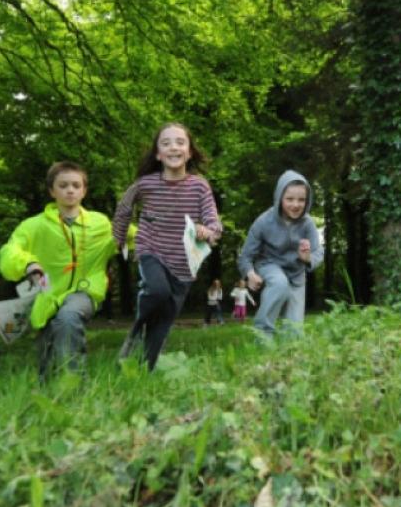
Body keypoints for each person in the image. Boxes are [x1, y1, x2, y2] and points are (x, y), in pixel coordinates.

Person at [113, 122, 222, 370]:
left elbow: (213, 222)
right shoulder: (145, 184)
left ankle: (145, 369)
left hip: (184, 262)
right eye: (166, 143)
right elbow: (124, 208)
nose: (173, 147)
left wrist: (208, 231)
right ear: (158, 154)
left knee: (164, 321)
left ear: (189, 152)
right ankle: (138, 324)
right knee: (157, 291)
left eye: (180, 142)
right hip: (151, 249)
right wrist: (119, 238)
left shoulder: (199, 186)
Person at [0, 161, 116, 381]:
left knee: (68, 317)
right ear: (52, 191)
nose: (70, 190)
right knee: (49, 352)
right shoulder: (34, 225)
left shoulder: (100, 223)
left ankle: (75, 385)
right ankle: (50, 390)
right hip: (47, 295)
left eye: (76, 185)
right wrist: (28, 264)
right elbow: (9, 251)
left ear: (84, 190)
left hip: (85, 290)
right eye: (63, 185)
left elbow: (130, 235)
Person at [238, 169, 324, 339]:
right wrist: (250, 274)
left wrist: (308, 258)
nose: (296, 205)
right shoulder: (264, 221)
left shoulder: (307, 224)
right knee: (279, 283)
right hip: (269, 265)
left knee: (294, 333)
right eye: (289, 199)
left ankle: (288, 351)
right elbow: (245, 256)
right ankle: (263, 334)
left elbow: (318, 252)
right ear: (279, 198)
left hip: (297, 276)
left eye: (301, 200)